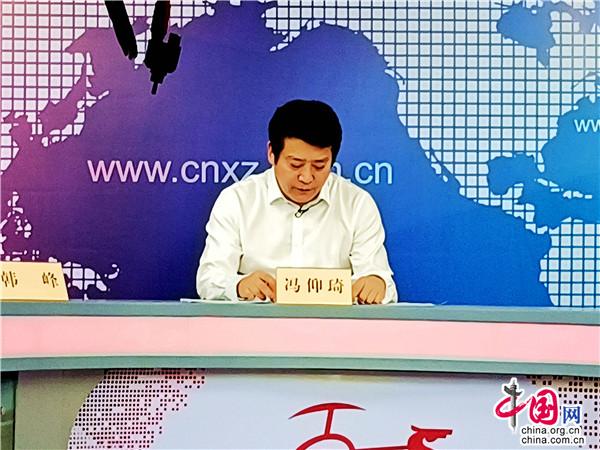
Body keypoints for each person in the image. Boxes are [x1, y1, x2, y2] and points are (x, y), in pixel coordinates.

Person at [196, 99, 397, 304]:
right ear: (271, 153)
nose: (307, 178)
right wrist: (239, 286)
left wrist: (376, 283)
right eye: (295, 165)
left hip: (333, 323)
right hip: (258, 322)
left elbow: (384, 283)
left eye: (319, 165)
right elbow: (209, 279)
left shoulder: (357, 204)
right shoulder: (237, 200)